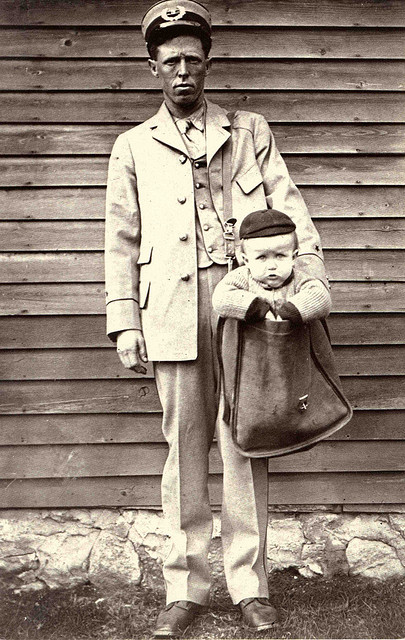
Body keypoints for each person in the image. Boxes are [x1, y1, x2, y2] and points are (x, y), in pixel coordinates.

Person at [104, 1, 329, 636]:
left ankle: (249, 585)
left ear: (209, 66)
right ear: (153, 68)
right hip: (170, 311)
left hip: (247, 310)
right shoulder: (132, 147)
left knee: (245, 443)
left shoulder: (249, 131)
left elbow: (291, 213)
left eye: (193, 62)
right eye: (170, 62)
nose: (183, 73)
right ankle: (184, 587)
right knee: (183, 452)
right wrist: (125, 321)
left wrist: (302, 292)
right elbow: (120, 238)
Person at [212, 208, 332, 325]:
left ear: (294, 257)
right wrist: (256, 309)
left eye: (280, 256)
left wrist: (290, 312)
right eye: (262, 257)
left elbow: (321, 297)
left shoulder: (300, 280)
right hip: (252, 342)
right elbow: (220, 298)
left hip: (292, 342)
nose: (272, 266)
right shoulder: (241, 277)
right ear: (246, 260)